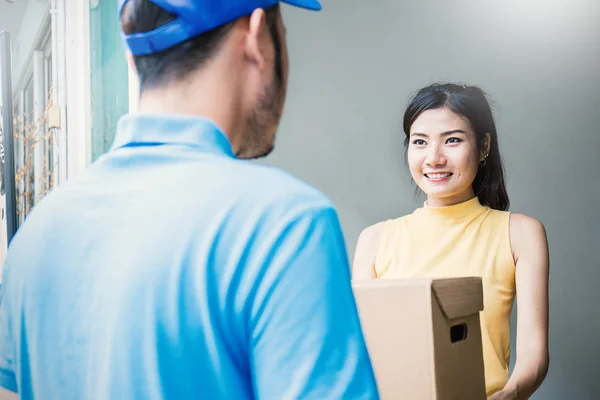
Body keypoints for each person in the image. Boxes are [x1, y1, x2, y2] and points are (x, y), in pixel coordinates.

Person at [0, 1, 380, 399]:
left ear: (132, 57)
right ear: (256, 38)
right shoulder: (284, 225)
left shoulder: (35, 235)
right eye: (282, 34)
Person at [353, 83, 549, 399]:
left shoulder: (520, 234)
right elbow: (362, 353)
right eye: (419, 142)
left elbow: (533, 357)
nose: (434, 158)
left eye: (452, 140)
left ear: (484, 146)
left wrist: (509, 395)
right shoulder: (374, 240)